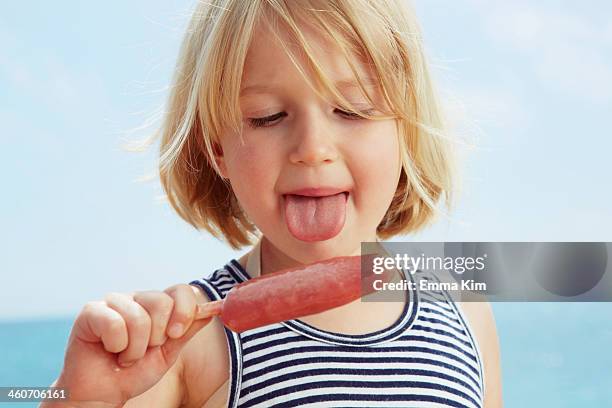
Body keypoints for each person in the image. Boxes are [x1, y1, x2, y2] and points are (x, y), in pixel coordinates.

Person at [43, 0, 501, 407]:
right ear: (216, 148)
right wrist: (84, 397)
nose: (313, 148)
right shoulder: (192, 344)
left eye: (353, 109)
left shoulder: (462, 306)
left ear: (408, 130)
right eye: (266, 117)